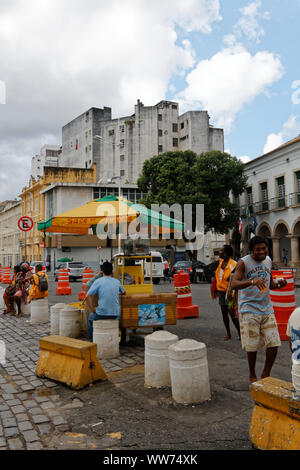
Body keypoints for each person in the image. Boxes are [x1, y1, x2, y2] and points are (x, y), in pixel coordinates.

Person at [231, 236, 287, 384]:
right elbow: (234, 283)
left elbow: (270, 284)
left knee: (274, 343)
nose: (262, 252)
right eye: (258, 249)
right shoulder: (243, 262)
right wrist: (251, 281)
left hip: (266, 308)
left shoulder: (268, 261)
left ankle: (265, 374)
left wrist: (279, 284)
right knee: (252, 346)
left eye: (264, 248)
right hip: (248, 308)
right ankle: (252, 374)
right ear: (251, 250)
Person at [86, 261, 125, 342]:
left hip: (101, 314)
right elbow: (124, 292)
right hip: (115, 314)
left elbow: (87, 296)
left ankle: (91, 341)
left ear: (102, 271)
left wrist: (92, 309)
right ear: (112, 272)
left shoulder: (98, 281)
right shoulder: (117, 281)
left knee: (90, 319)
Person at [215, 245, 240, 341]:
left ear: (225, 254)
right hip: (221, 292)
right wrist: (215, 288)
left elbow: (236, 279)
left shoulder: (234, 264)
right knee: (224, 313)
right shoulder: (220, 262)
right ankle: (228, 334)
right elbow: (217, 275)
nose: (219, 252)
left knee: (232, 313)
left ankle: (240, 333)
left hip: (230, 292)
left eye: (221, 250)